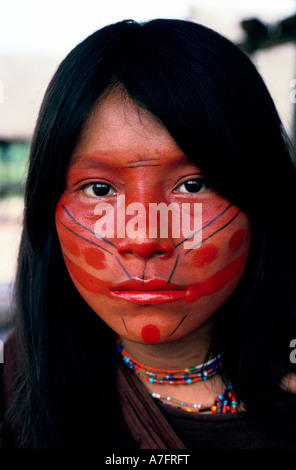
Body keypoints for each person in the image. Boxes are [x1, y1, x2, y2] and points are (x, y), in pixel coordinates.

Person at [0, 18, 296, 450]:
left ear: (262, 199)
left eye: (193, 185)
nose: (143, 238)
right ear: (48, 207)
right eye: (99, 190)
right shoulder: (20, 380)